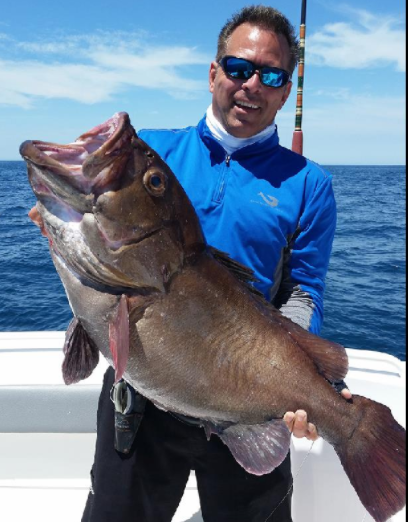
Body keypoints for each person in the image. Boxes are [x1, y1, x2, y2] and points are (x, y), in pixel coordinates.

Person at [80, 5, 351, 522]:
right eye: (238, 68)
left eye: (271, 76)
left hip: (244, 400)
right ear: (213, 73)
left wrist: (293, 379)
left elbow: (303, 291)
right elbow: (94, 246)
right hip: (140, 398)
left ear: (285, 91)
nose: (251, 84)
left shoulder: (309, 184)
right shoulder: (151, 155)